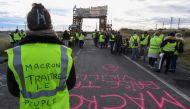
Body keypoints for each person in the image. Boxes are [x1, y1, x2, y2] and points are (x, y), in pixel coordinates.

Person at [6, 3, 76, 109]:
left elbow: (13, 90)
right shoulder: (64, 52)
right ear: (50, 24)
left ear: (29, 25)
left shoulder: (16, 54)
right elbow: (70, 83)